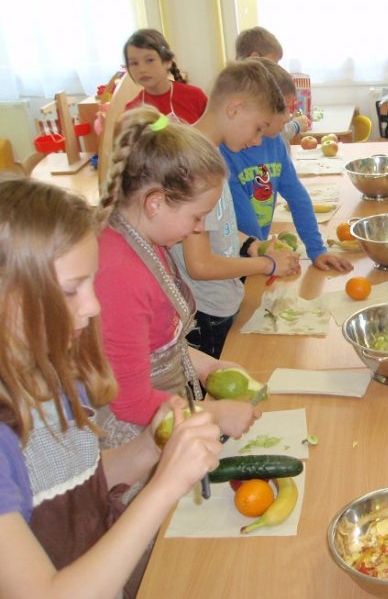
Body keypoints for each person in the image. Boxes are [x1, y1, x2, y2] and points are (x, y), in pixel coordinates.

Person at [0, 176, 222, 599]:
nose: (93, 305)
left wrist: (150, 449)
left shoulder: (53, 377)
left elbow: (76, 483)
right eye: (71, 289)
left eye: (91, 282)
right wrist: (164, 487)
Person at [95, 106, 261, 447]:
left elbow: (157, 345)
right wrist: (212, 414)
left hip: (171, 412)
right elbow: (130, 402)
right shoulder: (119, 275)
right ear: (155, 203)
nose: (200, 229)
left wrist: (204, 366)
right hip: (137, 440)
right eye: (197, 217)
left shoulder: (150, 240)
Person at [170, 61, 302, 359]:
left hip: (223, 300)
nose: (256, 141)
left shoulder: (211, 154)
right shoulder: (193, 166)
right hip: (205, 312)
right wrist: (266, 266)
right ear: (234, 109)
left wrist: (254, 245)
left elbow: (221, 227)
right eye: (257, 129)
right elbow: (200, 264)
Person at [221, 58, 353, 273]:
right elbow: (243, 217)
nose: (288, 115)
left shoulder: (275, 144)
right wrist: (265, 253)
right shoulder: (226, 153)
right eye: (282, 107)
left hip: (260, 254)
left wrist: (316, 249)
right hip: (236, 260)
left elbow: (297, 197)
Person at [235, 26, 309, 140]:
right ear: (255, 58)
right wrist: (296, 125)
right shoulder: (251, 92)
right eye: (274, 62)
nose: (276, 67)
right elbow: (271, 134)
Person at [123, 28, 208, 124]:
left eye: (150, 60)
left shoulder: (195, 96)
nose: (142, 69)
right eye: (134, 63)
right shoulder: (132, 111)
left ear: (168, 61)